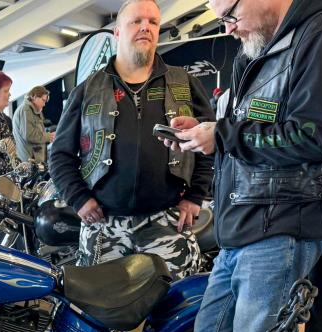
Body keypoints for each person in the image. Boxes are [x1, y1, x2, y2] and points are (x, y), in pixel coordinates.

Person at [169, 0, 322, 332]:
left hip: (281, 225)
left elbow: (310, 138)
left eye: (229, 16)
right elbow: (252, 128)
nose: (227, 28)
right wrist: (207, 131)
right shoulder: (261, 46)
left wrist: (222, 135)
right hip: (241, 227)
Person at [49, 0, 213, 277]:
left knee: (177, 300)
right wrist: (78, 198)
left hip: (169, 222)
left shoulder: (184, 83)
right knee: (101, 303)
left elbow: (208, 145)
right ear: (117, 32)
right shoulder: (87, 90)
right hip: (104, 225)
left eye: (153, 22)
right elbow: (59, 155)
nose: (145, 27)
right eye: (136, 21)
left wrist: (196, 196)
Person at [12, 86, 55, 164]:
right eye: (43, 100)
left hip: (32, 160)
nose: (44, 104)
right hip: (29, 161)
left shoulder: (31, 110)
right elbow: (29, 135)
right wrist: (48, 136)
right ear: (35, 97)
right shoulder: (26, 110)